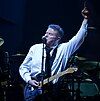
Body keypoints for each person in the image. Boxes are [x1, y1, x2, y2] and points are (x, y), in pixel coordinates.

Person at [19, 7, 89, 101]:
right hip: (32, 90)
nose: (46, 35)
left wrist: (85, 19)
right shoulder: (35, 48)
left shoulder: (63, 49)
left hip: (52, 92)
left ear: (58, 38)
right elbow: (23, 67)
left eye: (50, 34)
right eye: (46, 33)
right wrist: (29, 80)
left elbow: (79, 38)